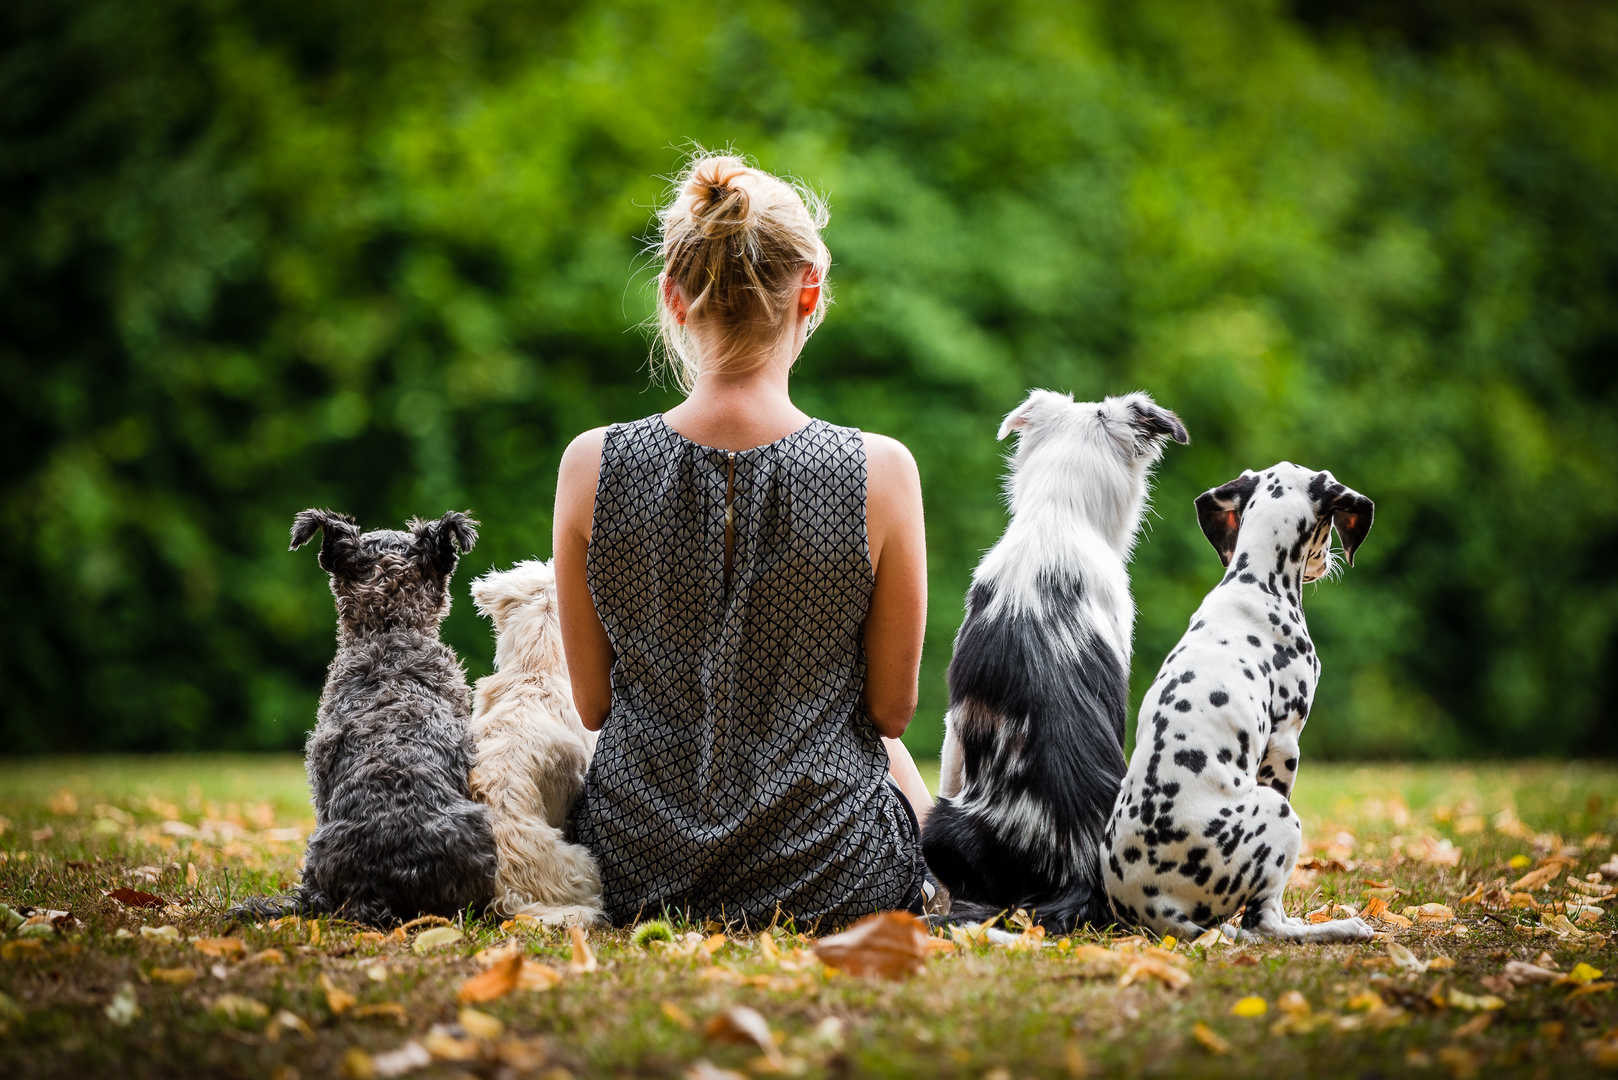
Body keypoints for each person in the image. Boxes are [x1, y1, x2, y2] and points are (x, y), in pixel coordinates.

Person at [552, 152, 936, 926]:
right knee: (888, 753)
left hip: (638, 869)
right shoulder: (881, 472)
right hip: (832, 874)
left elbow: (592, 706)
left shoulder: (591, 464)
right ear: (811, 293)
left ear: (673, 297)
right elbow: (890, 712)